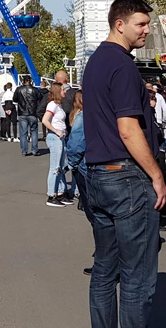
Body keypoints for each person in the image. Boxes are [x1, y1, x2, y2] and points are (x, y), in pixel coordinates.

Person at [84, 0, 165, 328]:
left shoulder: (95, 64)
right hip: (126, 178)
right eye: (141, 24)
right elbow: (128, 130)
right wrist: (156, 176)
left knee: (105, 268)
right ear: (120, 24)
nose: (147, 30)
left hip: (97, 175)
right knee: (137, 277)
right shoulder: (123, 65)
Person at [66, 90, 95, 274]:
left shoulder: (81, 117)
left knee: (95, 215)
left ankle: (103, 256)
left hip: (85, 167)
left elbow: (76, 145)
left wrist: (73, 164)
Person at [42, 82, 73, 207]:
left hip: (60, 137)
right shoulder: (52, 104)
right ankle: (51, 195)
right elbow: (45, 120)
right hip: (55, 138)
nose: (65, 92)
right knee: (55, 168)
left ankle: (60, 192)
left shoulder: (58, 105)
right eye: (62, 90)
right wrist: (56, 131)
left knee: (60, 167)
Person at [14, 76, 41, 155]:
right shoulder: (35, 90)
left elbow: (14, 99)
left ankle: (24, 151)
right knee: (34, 131)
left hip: (22, 112)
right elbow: (40, 99)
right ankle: (34, 150)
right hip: (32, 112)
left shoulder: (19, 89)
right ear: (30, 81)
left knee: (23, 133)